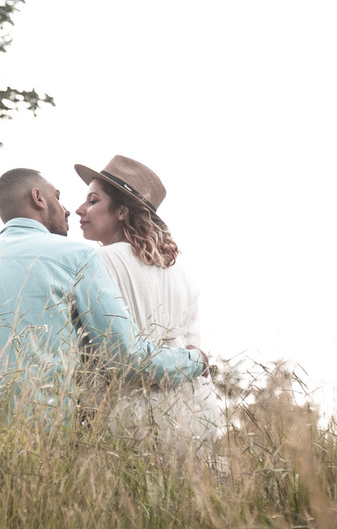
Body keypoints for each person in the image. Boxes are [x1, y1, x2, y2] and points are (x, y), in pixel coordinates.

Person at [0, 167, 208, 422]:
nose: (69, 209)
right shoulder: (78, 257)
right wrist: (196, 360)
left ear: (122, 211)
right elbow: (126, 357)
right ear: (38, 198)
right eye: (59, 197)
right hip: (49, 428)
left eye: (92, 200)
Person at [73, 155, 223, 452]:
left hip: (128, 414)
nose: (79, 209)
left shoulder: (98, 262)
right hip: (194, 413)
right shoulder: (183, 274)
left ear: (122, 211)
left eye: (92, 201)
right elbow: (196, 353)